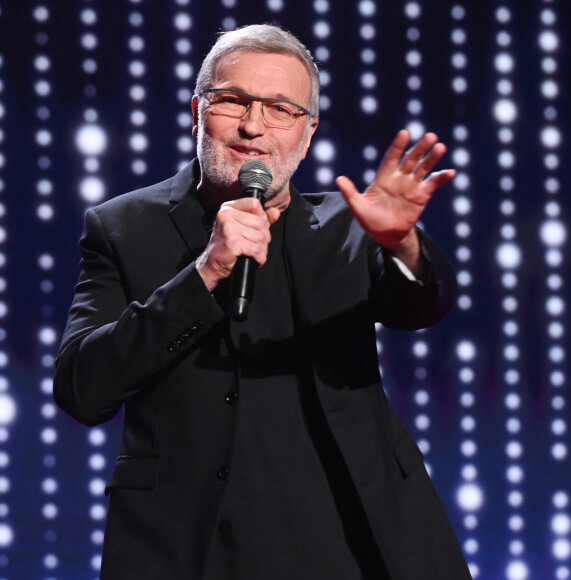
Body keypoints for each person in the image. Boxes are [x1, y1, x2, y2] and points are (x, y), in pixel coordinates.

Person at [54, 23, 472, 580]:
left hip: (352, 535)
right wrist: (206, 273)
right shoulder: (123, 228)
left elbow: (420, 307)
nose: (253, 126)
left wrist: (402, 243)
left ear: (308, 131)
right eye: (233, 101)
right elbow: (84, 388)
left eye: (280, 109)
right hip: (193, 544)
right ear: (198, 110)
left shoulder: (346, 225)